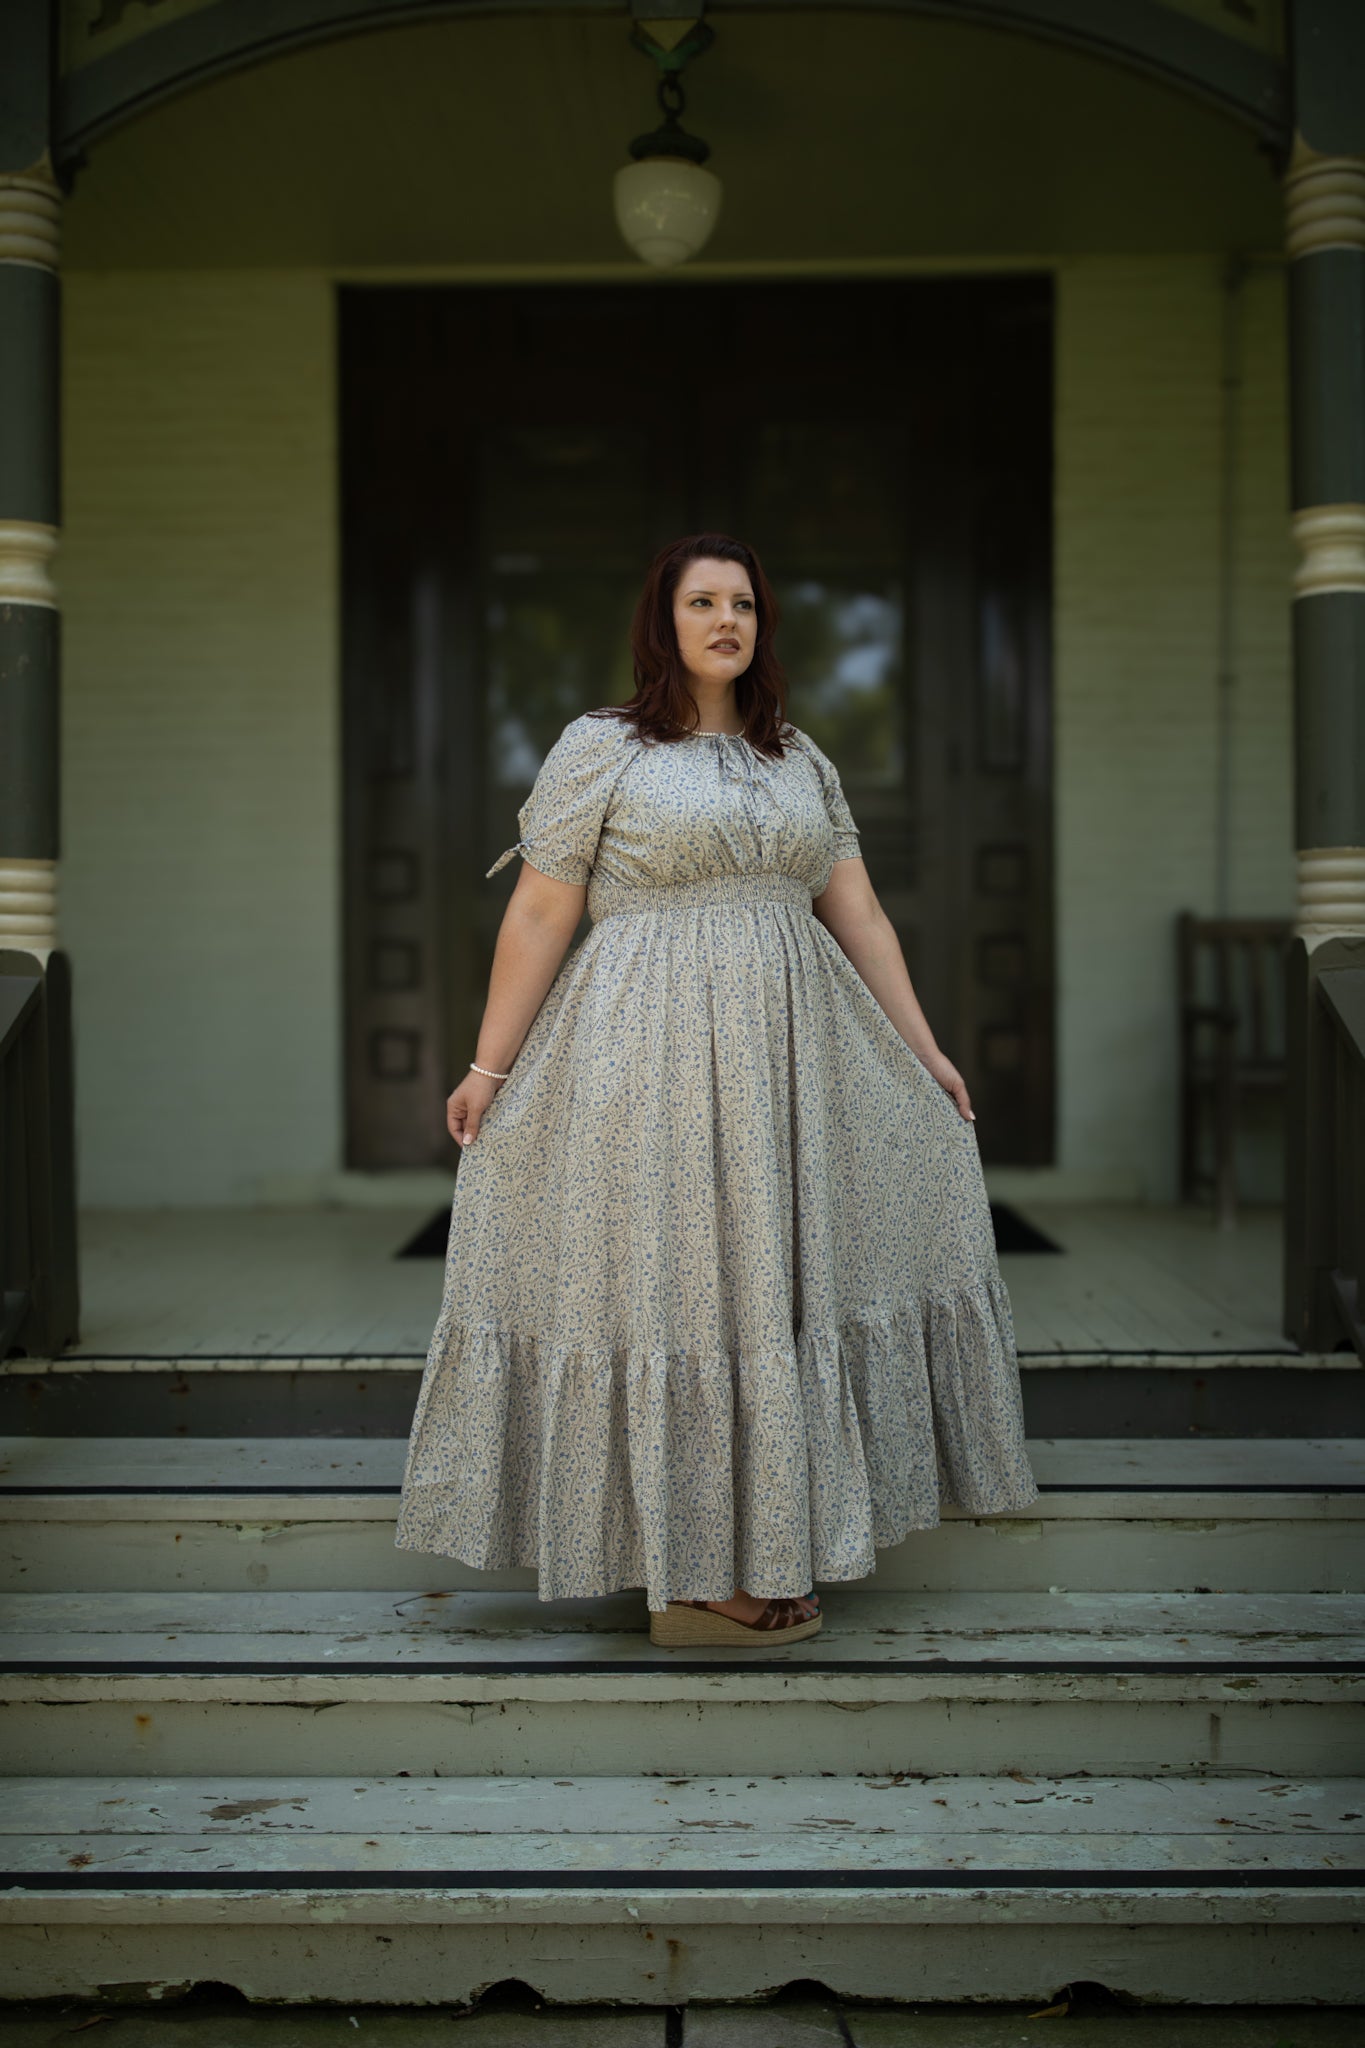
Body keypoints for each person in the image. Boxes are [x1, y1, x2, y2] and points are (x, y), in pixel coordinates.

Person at [395, 532, 1039, 1647]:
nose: (726, 619)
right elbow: (543, 910)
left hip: (793, 1059)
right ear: (665, 620)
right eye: (702, 602)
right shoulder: (600, 748)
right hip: (645, 1049)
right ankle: (689, 1578)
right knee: (682, 1286)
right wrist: (489, 1064)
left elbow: (862, 914)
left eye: (743, 603)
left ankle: (753, 1548)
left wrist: (927, 1051)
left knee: (766, 1293)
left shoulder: (803, 759)